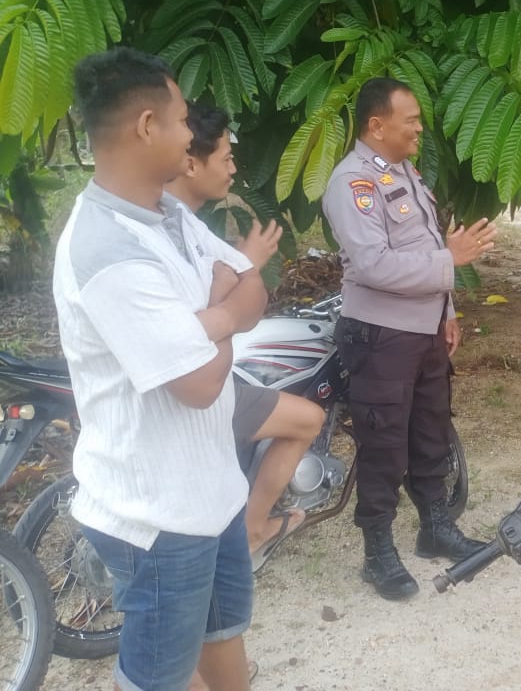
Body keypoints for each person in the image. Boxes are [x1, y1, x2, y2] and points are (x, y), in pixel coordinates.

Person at [54, 48, 260, 690]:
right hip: (157, 516)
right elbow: (198, 385)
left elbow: (254, 286)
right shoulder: (106, 250)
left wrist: (204, 322)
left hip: (214, 491)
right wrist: (223, 311)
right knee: (157, 677)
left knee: (223, 635)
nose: (188, 134)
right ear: (147, 126)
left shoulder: (170, 215)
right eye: (178, 120)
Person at [321, 77, 496, 601]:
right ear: (377, 125)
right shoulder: (352, 183)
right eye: (411, 118)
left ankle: (434, 527)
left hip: (425, 333)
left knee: (431, 433)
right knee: (384, 444)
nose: (421, 126)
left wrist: (447, 309)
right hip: (382, 336)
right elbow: (374, 265)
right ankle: (377, 552)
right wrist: (452, 261)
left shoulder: (404, 173)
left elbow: (423, 246)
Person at [167, 102, 325, 570]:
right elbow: (227, 305)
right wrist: (239, 282)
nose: (234, 167)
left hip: (207, 374)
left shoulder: (187, 226)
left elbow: (248, 301)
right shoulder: (166, 232)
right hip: (201, 388)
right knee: (308, 419)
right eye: (225, 157)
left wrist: (239, 282)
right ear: (191, 161)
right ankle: (256, 526)